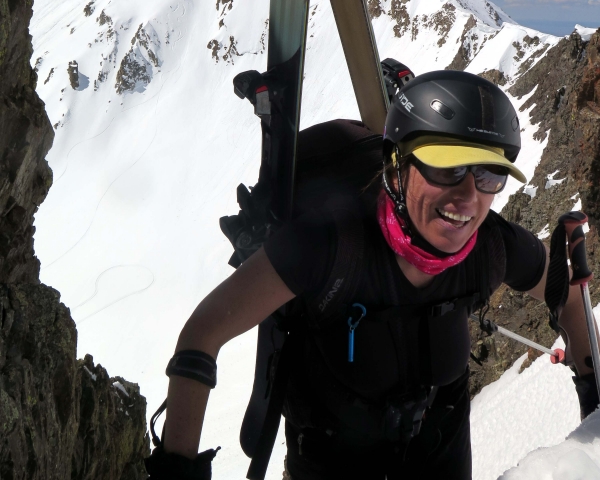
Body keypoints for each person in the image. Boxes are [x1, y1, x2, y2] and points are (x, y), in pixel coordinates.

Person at [145, 70, 598, 480]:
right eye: (446, 168)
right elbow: (204, 334)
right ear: (397, 167)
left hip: (439, 444)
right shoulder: (329, 244)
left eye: (489, 175)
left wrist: (591, 394)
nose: (468, 197)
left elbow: (567, 294)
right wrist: (177, 466)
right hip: (329, 459)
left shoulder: (491, 247)